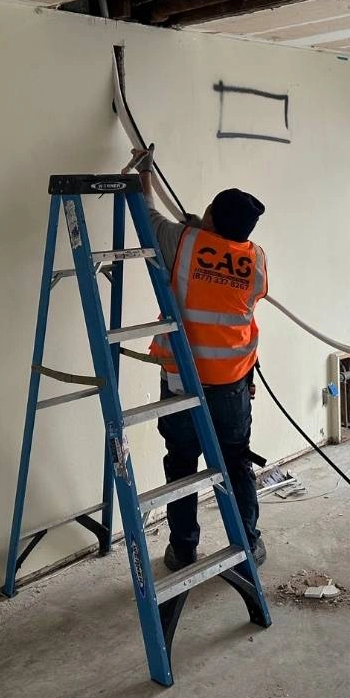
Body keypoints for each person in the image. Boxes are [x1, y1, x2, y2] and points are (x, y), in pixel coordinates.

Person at [123, 149, 269, 571]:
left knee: (183, 465)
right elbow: (223, 269)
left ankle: (184, 550)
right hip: (233, 383)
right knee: (236, 462)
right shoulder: (256, 258)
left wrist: (145, 171)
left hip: (183, 381)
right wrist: (203, 233)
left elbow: (146, 214)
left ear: (210, 217)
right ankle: (248, 544)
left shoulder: (182, 243)